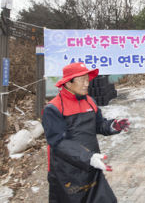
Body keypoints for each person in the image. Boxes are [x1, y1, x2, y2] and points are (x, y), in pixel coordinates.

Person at [42, 62, 130, 203]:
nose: (86, 83)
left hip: (91, 166)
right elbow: (58, 142)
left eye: (87, 79)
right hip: (67, 172)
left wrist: (113, 126)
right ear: (68, 83)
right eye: (81, 79)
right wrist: (88, 157)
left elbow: (99, 125)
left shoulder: (90, 101)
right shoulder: (53, 108)